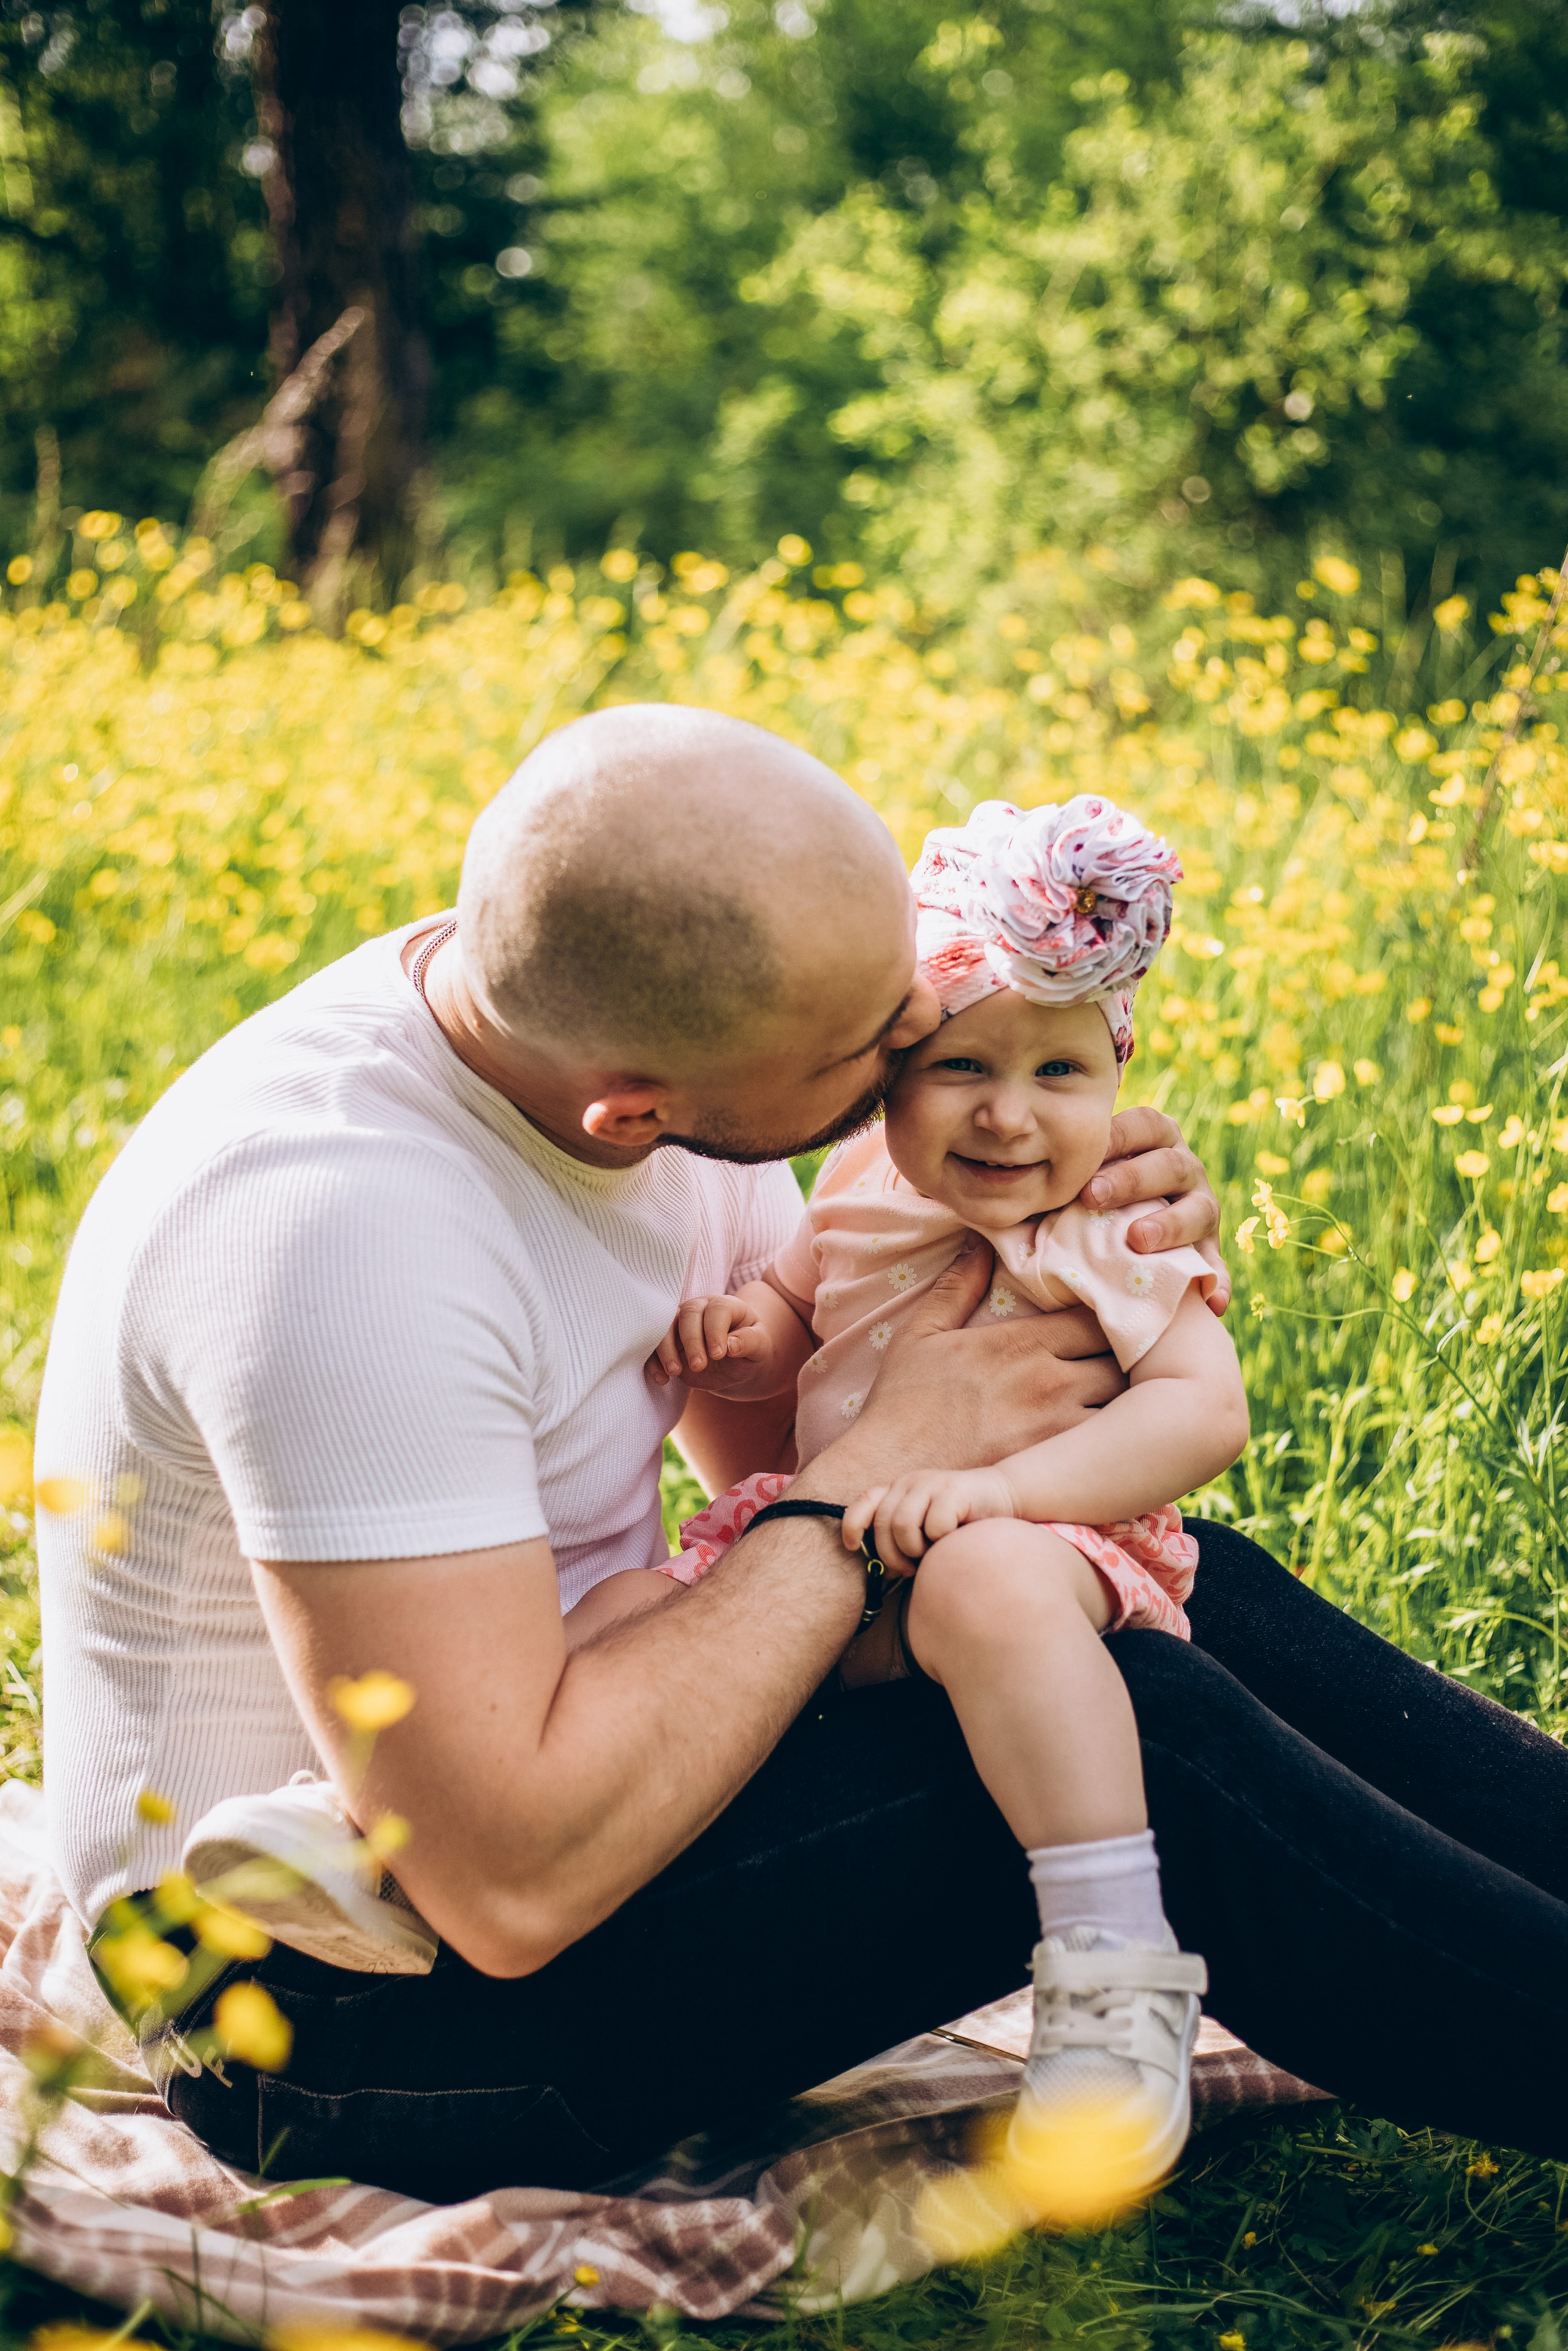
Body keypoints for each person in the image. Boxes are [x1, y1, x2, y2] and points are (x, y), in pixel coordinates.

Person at [33, 706, 1568, 2209]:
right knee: (1138, 1730)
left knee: (1132, 1592)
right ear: (632, 1104)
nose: (915, 1054)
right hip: (338, 2008)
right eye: (875, 1048)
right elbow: (502, 1888)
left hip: (572, 1752)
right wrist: (882, 1470)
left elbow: (784, 1443)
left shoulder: (626, 1005)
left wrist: (1037, 1216)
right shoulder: (339, 1240)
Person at [650, 794, 1247, 2195]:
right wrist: (746, 1336)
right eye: (960, 1065)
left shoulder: (1102, 1221)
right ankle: (374, 1841)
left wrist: (1007, 1498)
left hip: (1041, 1550)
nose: (1008, 1113)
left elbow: (1198, 1404)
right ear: (882, 1082)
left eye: (1057, 1071)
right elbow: (808, 1312)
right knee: (639, 1611)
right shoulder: (856, 1182)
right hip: (850, 1553)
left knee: (983, 1587)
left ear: (1118, 1070)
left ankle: (1109, 1970)